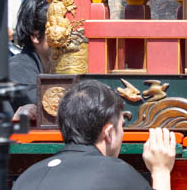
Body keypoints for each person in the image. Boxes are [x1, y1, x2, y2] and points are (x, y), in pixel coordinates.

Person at [12, 79, 176, 190]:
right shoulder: (118, 176)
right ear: (109, 132)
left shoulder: (26, 178)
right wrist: (161, 171)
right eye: (122, 127)